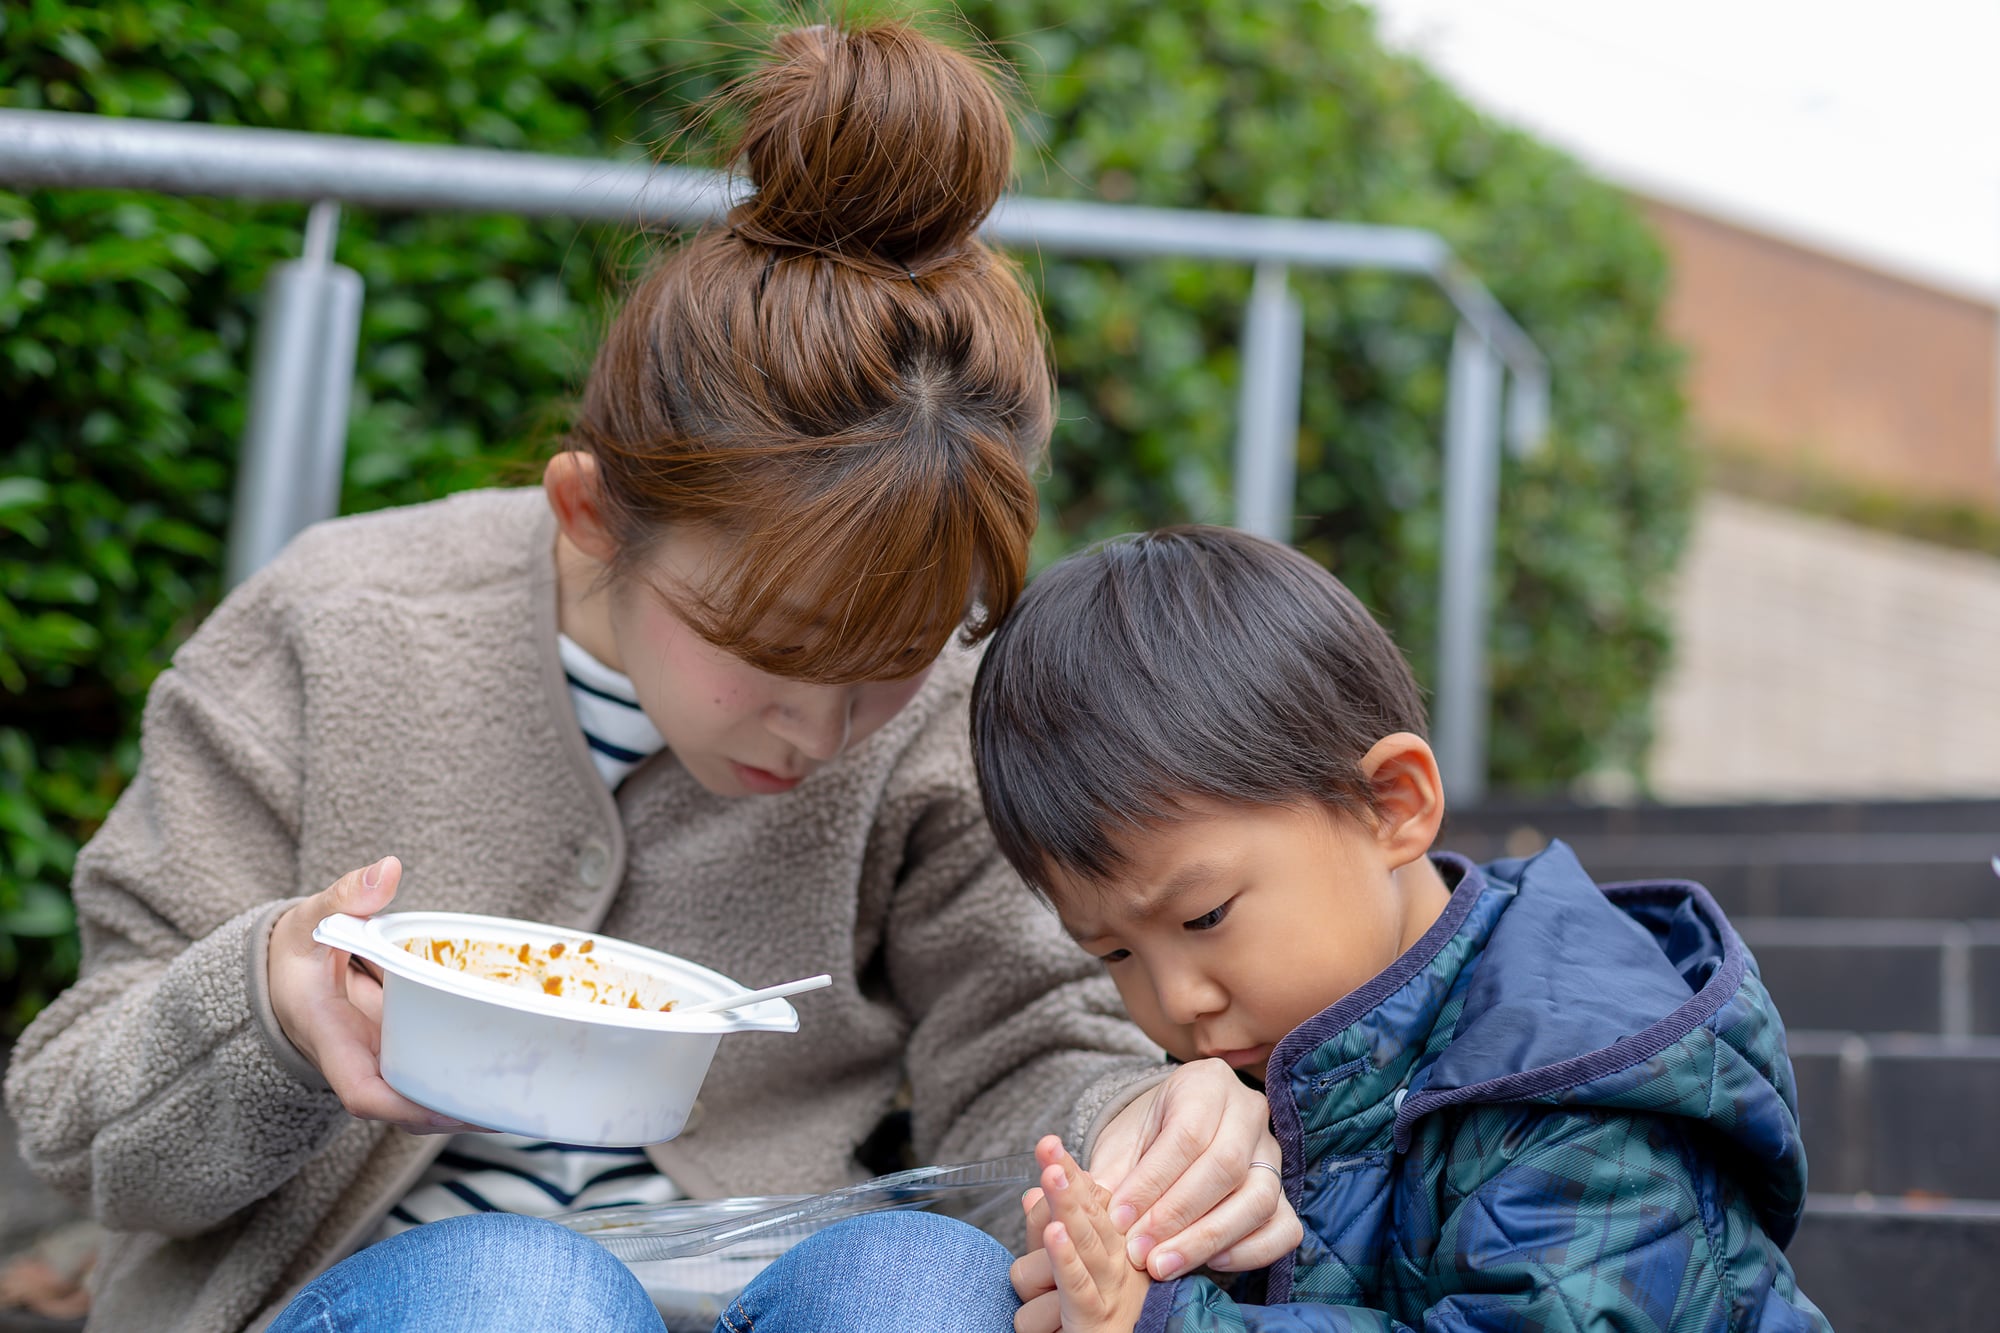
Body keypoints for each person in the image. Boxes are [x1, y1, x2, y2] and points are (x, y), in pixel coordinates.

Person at [1, 23, 1300, 1333]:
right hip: (378, 1296)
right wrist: (267, 1007)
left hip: (766, 1277)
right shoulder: (336, 627)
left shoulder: (943, 717)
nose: (818, 729)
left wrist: (1138, 1124)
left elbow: (1028, 1039)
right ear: (588, 513)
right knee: (523, 1294)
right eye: (773, 650)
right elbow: (73, 1126)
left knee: (926, 1285)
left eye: (889, 664)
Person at [964, 525, 1832, 1332]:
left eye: (1206, 916)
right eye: (1114, 952)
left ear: (1392, 804)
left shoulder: (1578, 1092)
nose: (1175, 998)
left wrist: (1165, 1320)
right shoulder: (1267, 1057)